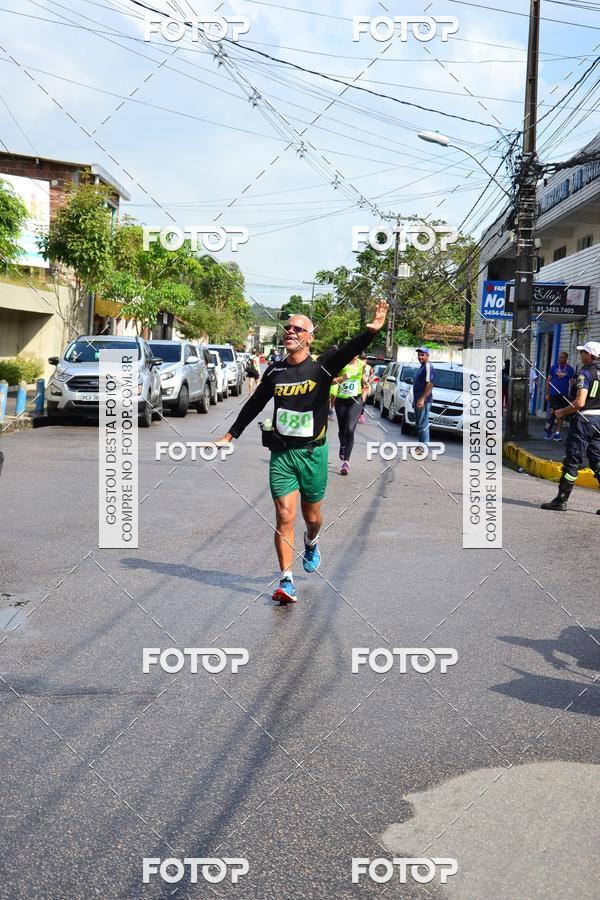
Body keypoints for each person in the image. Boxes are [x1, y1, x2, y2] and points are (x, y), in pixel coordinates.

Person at [216, 300, 389, 602]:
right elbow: (255, 403)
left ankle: (312, 540)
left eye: (298, 329)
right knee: (284, 515)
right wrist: (231, 435)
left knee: (312, 517)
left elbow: (348, 350)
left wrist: (371, 331)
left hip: (313, 455)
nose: (291, 331)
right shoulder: (275, 371)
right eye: (288, 327)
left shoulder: (323, 366)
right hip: (282, 453)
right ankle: (286, 580)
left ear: (310, 337)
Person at [541, 341, 600, 512]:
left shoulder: (585, 373)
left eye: (583, 352)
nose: (581, 355)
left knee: (572, 461)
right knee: (597, 461)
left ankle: (561, 500)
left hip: (584, 422)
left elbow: (580, 402)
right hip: (598, 422)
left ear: (590, 355)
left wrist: (562, 412)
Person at [333, 354, 367, 476]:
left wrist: (365, 383)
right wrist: (342, 379)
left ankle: (346, 462)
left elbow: (362, 377)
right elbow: (330, 381)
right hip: (341, 400)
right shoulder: (341, 363)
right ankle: (343, 444)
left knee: (350, 429)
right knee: (342, 431)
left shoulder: (362, 364)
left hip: (356, 400)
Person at [544, 351, 575, 441]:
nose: (559, 359)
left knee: (560, 414)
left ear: (566, 358)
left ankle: (557, 433)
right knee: (552, 412)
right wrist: (547, 392)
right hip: (553, 394)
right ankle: (549, 430)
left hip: (563, 395)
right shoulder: (553, 368)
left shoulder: (570, 369)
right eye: (559, 357)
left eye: (561, 357)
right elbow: (548, 380)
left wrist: (571, 394)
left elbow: (572, 383)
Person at [413, 346, 435, 453]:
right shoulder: (422, 366)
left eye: (423, 355)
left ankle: (423, 447)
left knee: (423, 424)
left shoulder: (428, 366)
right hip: (418, 400)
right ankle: (420, 446)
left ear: (427, 355)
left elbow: (430, 384)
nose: (420, 357)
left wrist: (422, 399)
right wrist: (416, 400)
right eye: (419, 355)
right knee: (419, 424)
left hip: (424, 401)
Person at [358, 353, 372, 423]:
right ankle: (356, 413)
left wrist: (369, 381)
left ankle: (361, 414)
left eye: (364, 358)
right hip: (358, 385)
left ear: (366, 359)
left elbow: (372, 375)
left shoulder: (369, 367)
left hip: (365, 386)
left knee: (363, 400)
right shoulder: (357, 366)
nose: (363, 360)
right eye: (362, 358)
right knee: (357, 400)